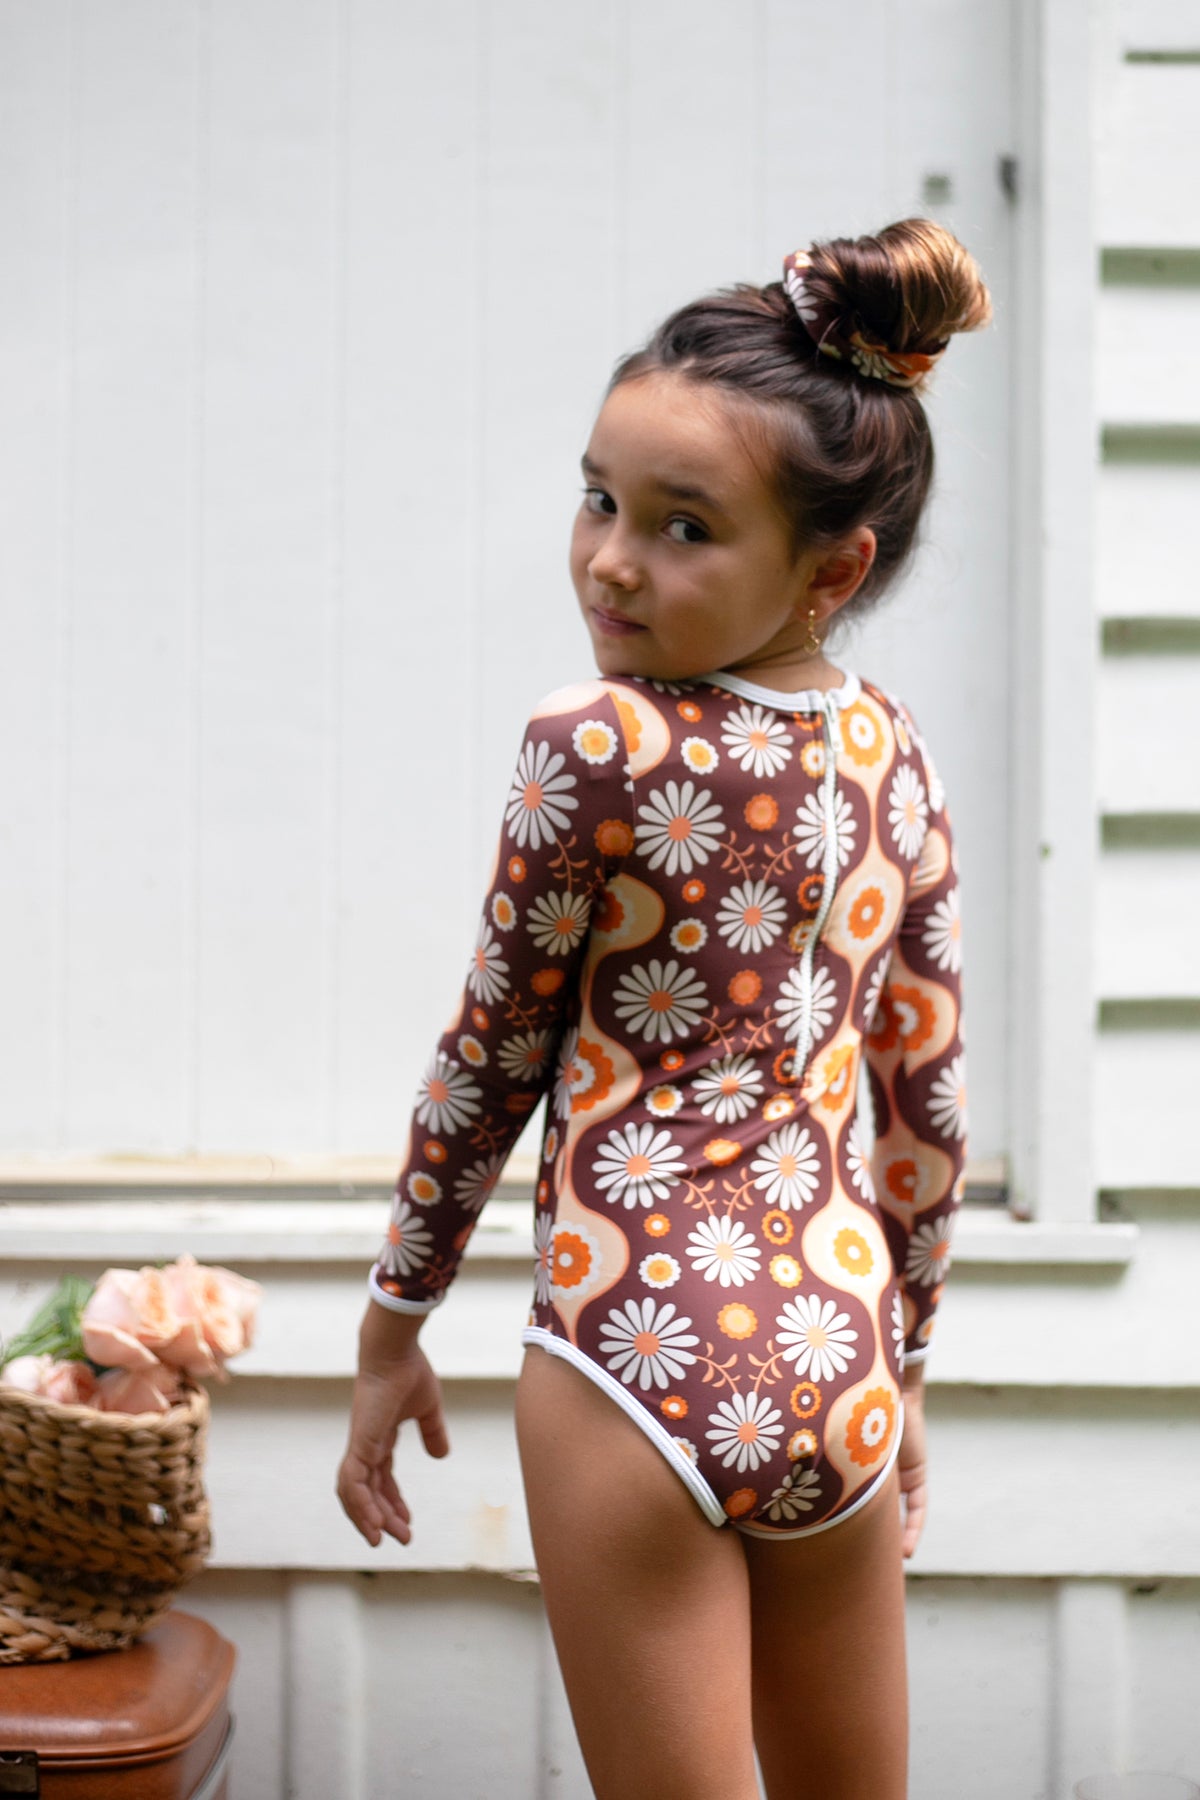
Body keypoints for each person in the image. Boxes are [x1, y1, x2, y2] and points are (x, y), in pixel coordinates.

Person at [338, 217, 989, 1800]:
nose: (613, 560)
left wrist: (392, 1327)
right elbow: (926, 1101)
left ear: (832, 568)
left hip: (630, 1361)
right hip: (838, 1350)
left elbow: (491, 1057)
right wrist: (902, 1366)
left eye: (683, 527)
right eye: (600, 498)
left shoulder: (598, 743)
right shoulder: (894, 752)